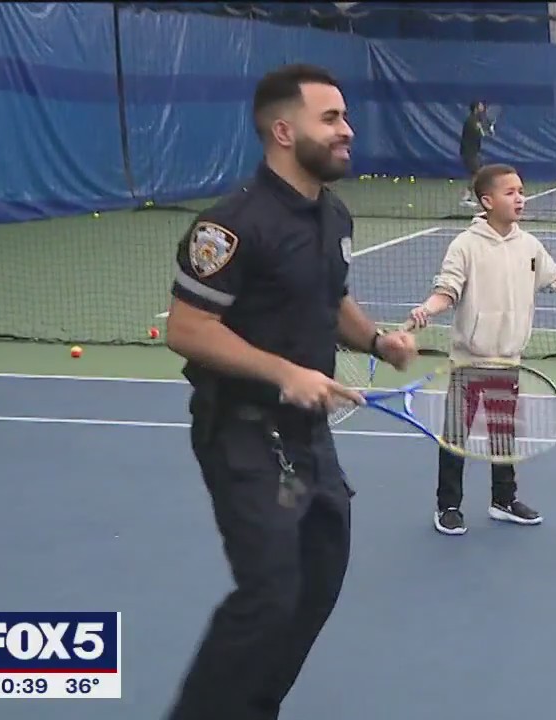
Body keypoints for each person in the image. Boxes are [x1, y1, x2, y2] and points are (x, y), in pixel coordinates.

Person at [162, 63, 418, 720]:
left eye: (345, 118)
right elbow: (188, 329)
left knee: (318, 583)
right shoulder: (230, 226)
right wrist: (286, 373)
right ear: (283, 130)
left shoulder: (333, 215)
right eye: (330, 119)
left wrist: (376, 342)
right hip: (243, 433)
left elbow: (331, 301)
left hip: (310, 437)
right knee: (270, 593)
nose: (347, 131)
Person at [408, 163, 556, 536]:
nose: (520, 197)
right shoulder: (465, 246)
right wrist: (427, 309)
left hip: (509, 360)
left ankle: (503, 500)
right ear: (487, 201)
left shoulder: (529, 246)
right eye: (510, 192)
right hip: (469, 361)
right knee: (455, 438)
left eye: (521, 190)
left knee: (505, 437)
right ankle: (448, 506)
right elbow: (447, 291)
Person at [458, 101, 492, 207]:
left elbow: (481, 133)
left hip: (474, 152)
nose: (483, 107)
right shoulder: (471, 120)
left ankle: (470, 197)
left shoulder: (476, 120)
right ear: (476, 108)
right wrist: (487, 130)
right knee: (478, 173)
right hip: (468, 153)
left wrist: (488, 130)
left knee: (477, 174)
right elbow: (479, 133)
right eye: (481, 105)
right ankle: (466, 198)